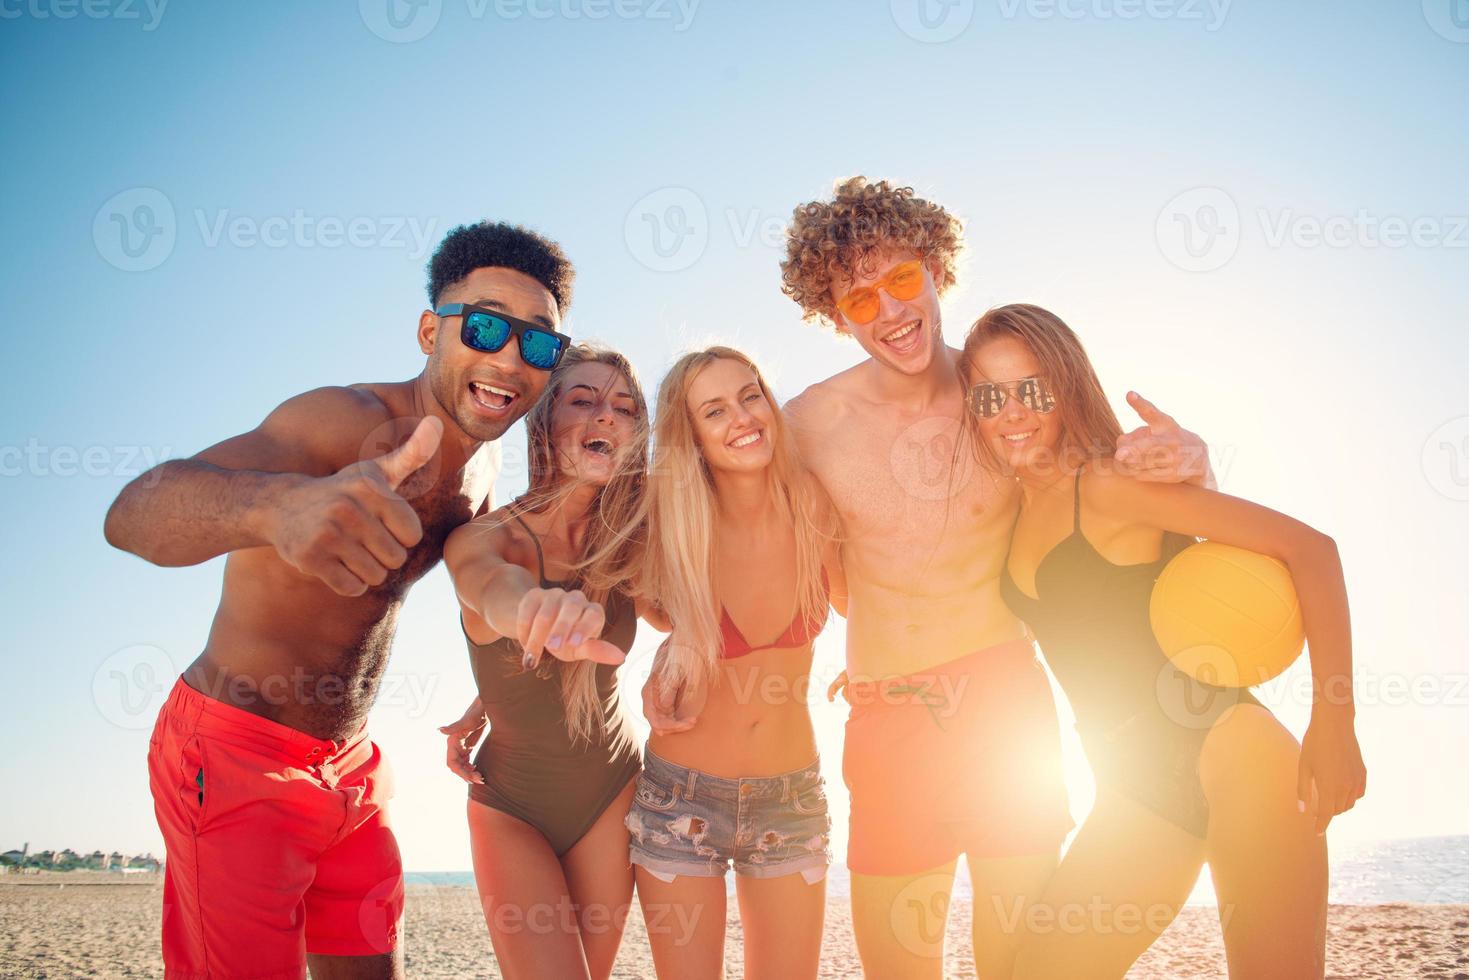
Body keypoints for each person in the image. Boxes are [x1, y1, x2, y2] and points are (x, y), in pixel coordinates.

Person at [103, 220, 575, 979]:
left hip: (351, 765)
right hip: (234, 752)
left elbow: (477, 593)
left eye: (539, 344)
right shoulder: (342, 420)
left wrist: (490, 693)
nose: (508, 358)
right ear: (431, 330)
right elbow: (132, 515)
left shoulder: (483, 475)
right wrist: (277, 509)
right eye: (485, 327)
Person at [776, 177, 1212, 978]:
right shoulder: (806, 424)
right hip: (889, 718)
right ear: (831, 315)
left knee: (1018, 963)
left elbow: (1107, 487)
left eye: (901, 279)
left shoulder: (1002, 397)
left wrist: (1197, 464)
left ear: (937, 269)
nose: (890, 311)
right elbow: (747, 549)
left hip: (1006, 710)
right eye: (859, 299)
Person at [961, 303, 1365, 979]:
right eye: (989, 395)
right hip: (1132, 786)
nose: (1012, 411)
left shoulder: (1110, 482)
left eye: (1031, 389)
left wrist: (1335, 721)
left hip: (1234, 756)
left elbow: (1309, 549)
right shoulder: (1009, 508)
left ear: (1065, 386)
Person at [438, 345, 655, 980]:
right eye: (582, 400)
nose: (605, 417)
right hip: (511, 802)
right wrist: (535, 613)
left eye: (623, 407)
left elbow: (690, 611)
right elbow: (489, 591)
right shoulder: (484, 539)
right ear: (542, 422)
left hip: (613, 790)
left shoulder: (634, 540)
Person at [633, 347, 845, 980]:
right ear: (691, 433)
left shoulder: (812, 501)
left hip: (791, 798)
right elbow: (600, 614)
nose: (742, 418)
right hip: (679, 797)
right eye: (714, 410)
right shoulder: (666, 522)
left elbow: (875, 593)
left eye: (750, 395)